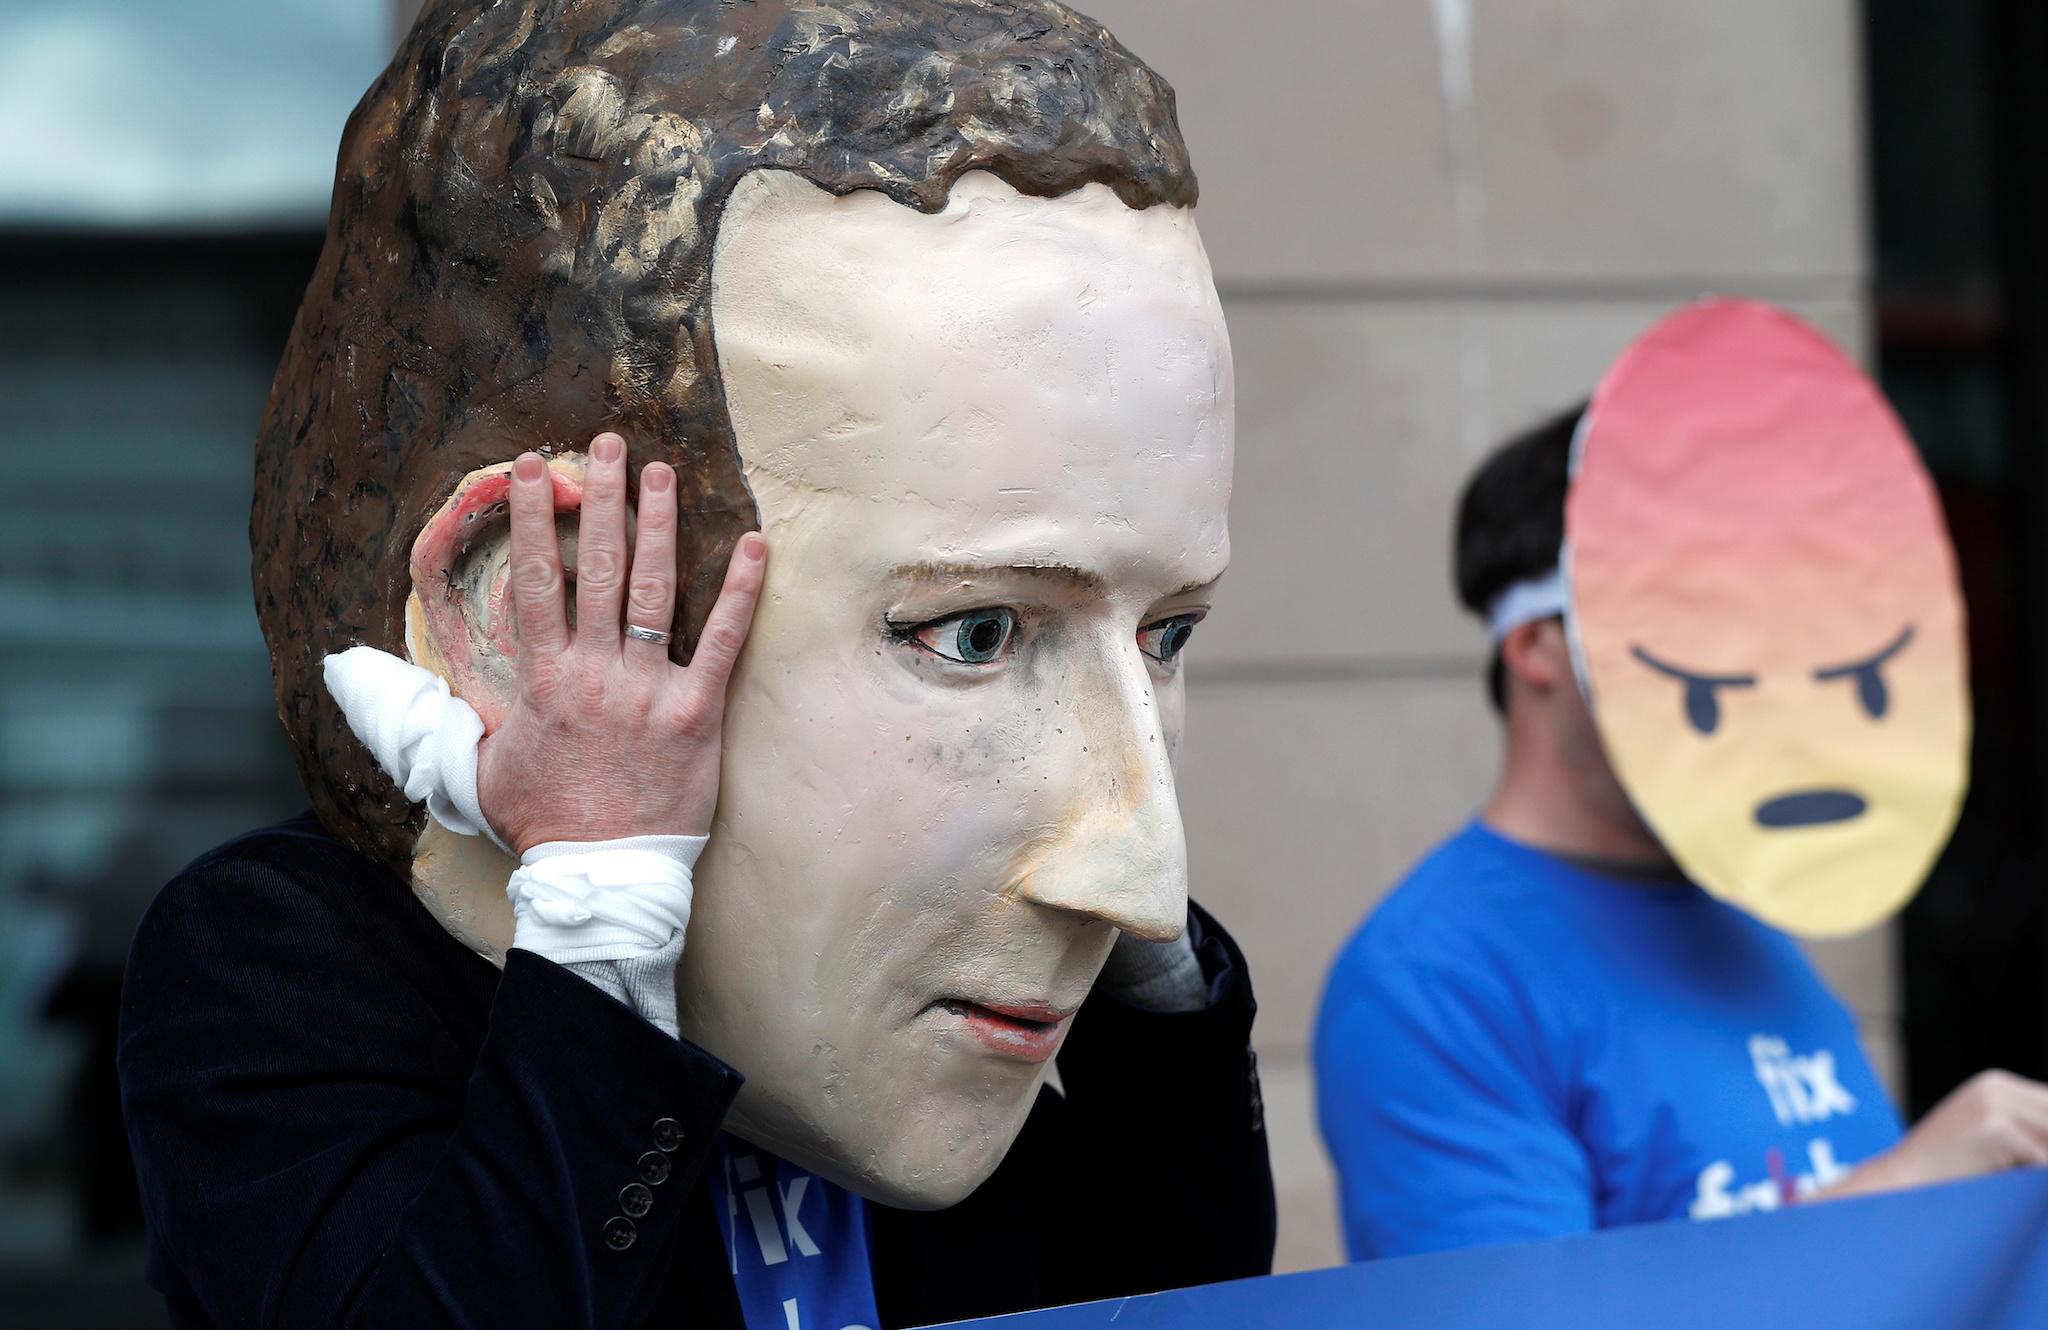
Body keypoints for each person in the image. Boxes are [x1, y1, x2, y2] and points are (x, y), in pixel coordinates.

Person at [118, 3, 1272, 1327]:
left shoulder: (933, 1020)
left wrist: (1163, 1009)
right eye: (976, 632)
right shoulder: (279, 963)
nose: (1137, 877)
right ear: (532, 607)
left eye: (1167, 634)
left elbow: (1173, 1291)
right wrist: (603, 914)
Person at [1314, 403, 2048, 1261]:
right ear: (1540, 643)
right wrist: (1916, 1181)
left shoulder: (1743, 913)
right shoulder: (1432, 977)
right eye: (1692, 616)